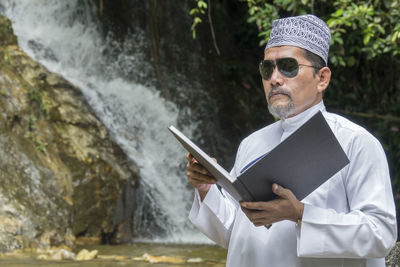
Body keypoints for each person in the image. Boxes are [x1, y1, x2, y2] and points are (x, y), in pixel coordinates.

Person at [186, 14, 397, 267]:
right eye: (267, 69)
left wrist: (300, 215)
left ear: (322, 78)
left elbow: (380, 233)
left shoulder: (355, 143)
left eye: (288, 67)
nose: (274, 78)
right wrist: (206, 189)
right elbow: (234, 232)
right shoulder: (251, 144)